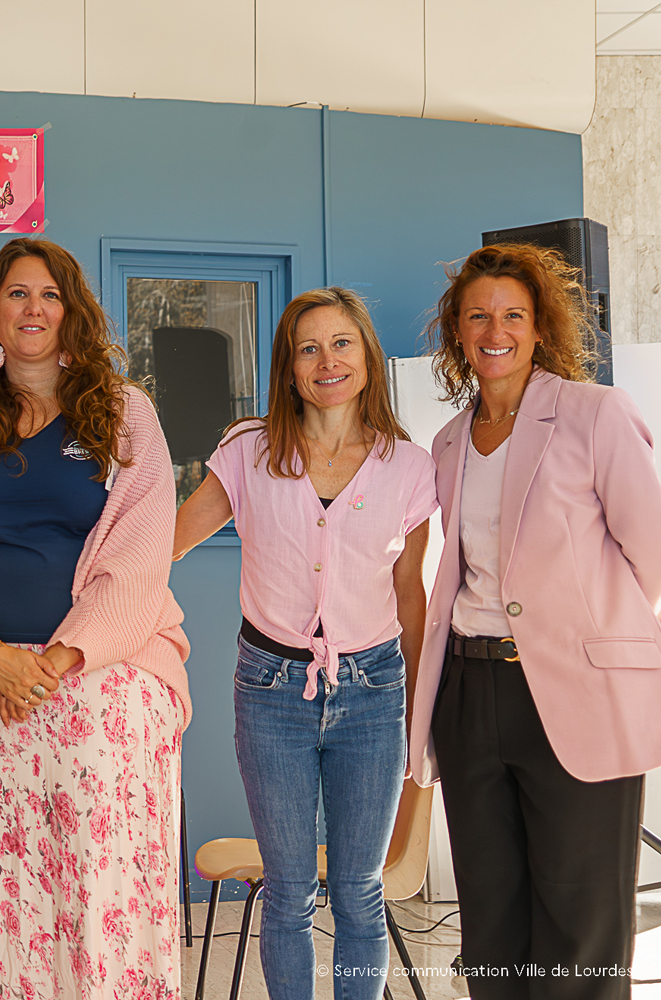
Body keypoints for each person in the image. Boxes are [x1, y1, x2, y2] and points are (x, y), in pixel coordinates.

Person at [0, 237, 190, 999]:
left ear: (72, 313)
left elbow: (138, 555)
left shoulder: (126, 418)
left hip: (99, 689)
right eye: (16, 293)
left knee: (91, 891)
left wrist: (52, 665)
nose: (33, 308)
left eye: (49, 294)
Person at [409, 244, 661, 999]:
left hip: (574, 695)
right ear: (457, 332)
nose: (495, 329)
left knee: (579, 926)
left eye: (512, 315)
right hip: (469, 689)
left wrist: (606, 652)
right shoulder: (448, 443)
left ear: (538, 327)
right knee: (489, 924)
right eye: (477, 315)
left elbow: (652, 551)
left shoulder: (594, 414)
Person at [173, 287, 436, 1000]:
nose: (327, 361)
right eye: (308, 348)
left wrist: (425, 707)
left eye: (341, 343)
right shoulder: (247, 452)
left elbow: (410, 593)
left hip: (375, 690)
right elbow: (162, 544)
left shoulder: (409, 468)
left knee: (358, 890)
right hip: (270, 692)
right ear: (288, 367)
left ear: (367, 355)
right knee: (288, 890)